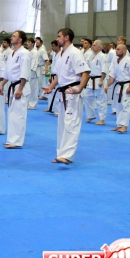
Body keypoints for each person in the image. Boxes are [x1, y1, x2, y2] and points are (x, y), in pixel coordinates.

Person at [43, 28, 90, 165]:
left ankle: (67, 156)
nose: (57, 39)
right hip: (62, 93)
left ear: (67, 37)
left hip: (72, 92)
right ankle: (61, 154)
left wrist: (79, 89)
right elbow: (59, 75)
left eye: (59, 36)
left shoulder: (75, 53)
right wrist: (51, 87)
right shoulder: (60, 54)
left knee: (71, 124)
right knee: (62, 125)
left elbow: (85, 72)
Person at [0, 30, 31, 149]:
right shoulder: (12, 52)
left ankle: (17, 141)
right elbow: (7, 71)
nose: (11, 38)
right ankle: (11, 139)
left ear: (20, 40)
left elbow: (24, 72)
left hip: (20, 86)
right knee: (12, 114)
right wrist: (2, 84)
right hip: (12, 85)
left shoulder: (24, 53)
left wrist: (20, 88)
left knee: (19, 115)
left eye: (14, 36)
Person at [104, 44, 130, 133]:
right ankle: (119, 125)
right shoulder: (115, 61)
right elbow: (112, 76)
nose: (116, 51)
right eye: (116, 49)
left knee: (126, 106)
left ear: (124, 51)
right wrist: (107, 85)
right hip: (118, 86)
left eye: (118, 49)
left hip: (127, 85)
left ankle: (124, 126)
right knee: (118, 106)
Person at [83, 40, 108, 125]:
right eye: (92, 45)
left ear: (99, 47)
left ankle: (102, 119)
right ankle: (91, 115)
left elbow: (104, 69)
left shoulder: (103, 56)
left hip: (99, 79)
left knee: (101, 100)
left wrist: (101, 80)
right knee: (87, 96)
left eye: (94, 45)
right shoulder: (92, 56)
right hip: (91, 80)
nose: (92, 46)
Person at [26, 39, 40, 110]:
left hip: (33, 72)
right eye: (27, 42)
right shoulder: (28, 51)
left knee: (33, 89)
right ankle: (28, 103)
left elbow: (34, 62)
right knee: (28, 88)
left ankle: (33, 104)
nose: (27, 43)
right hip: (28, 71)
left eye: (29, 42)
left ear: (33, 44)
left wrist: (31, 71)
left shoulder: (35, 52)